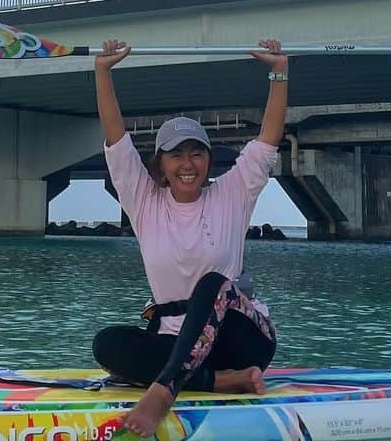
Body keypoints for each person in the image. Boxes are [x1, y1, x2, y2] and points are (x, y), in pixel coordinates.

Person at [92, 36, 289, 436]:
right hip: (179, 348)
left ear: (209, 161)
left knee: (214, 284)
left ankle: (163, 392)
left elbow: (268, 138)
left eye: (196, 153)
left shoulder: (232, 193)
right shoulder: (144, 201)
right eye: (176, 155)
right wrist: (102, 72)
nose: (187, 164)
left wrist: (279, 72)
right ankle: (223, 382)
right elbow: (116, 140)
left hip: (238, 340)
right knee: (107, 344)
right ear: (161, 164)